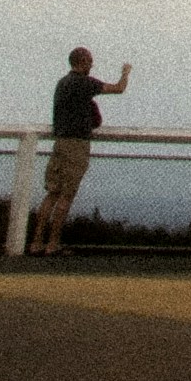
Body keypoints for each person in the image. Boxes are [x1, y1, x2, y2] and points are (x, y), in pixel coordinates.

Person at [31, 46, 129, 256]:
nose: (92, 65)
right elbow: (119, 88)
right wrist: (126, 73)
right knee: (67, 195)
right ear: (83, 62)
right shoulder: (85, 83)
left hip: (60, 142)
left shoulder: (62, 83)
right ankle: (53, 244)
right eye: (90, 61)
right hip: (76, 144)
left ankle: (36, 242)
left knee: (52, 193)